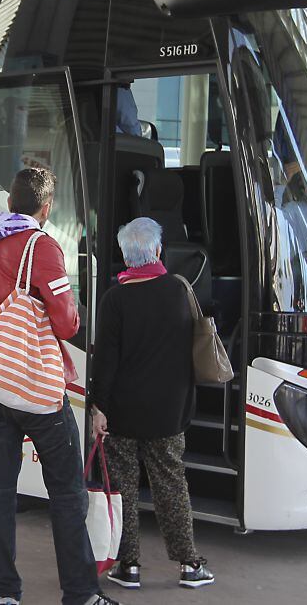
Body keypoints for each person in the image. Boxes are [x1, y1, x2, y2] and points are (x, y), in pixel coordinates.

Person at [0, 167, 119, 605]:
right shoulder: (42, 246)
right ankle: (81, 594)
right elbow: (65, 322)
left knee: (0, 493)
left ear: (9, 202)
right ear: (46, 209)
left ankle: (5, 595)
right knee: (67, 493)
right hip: (35, 388)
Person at [90, 216, 215, 590]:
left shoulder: (115, 300)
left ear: (126, 257)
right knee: (171, 486)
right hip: (167, 411)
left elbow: (105, 363)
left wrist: (99, 407)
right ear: (158, 251)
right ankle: (189, 565)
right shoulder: (177, 290)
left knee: (124, 487)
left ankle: (128, 566)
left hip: (123, 413)